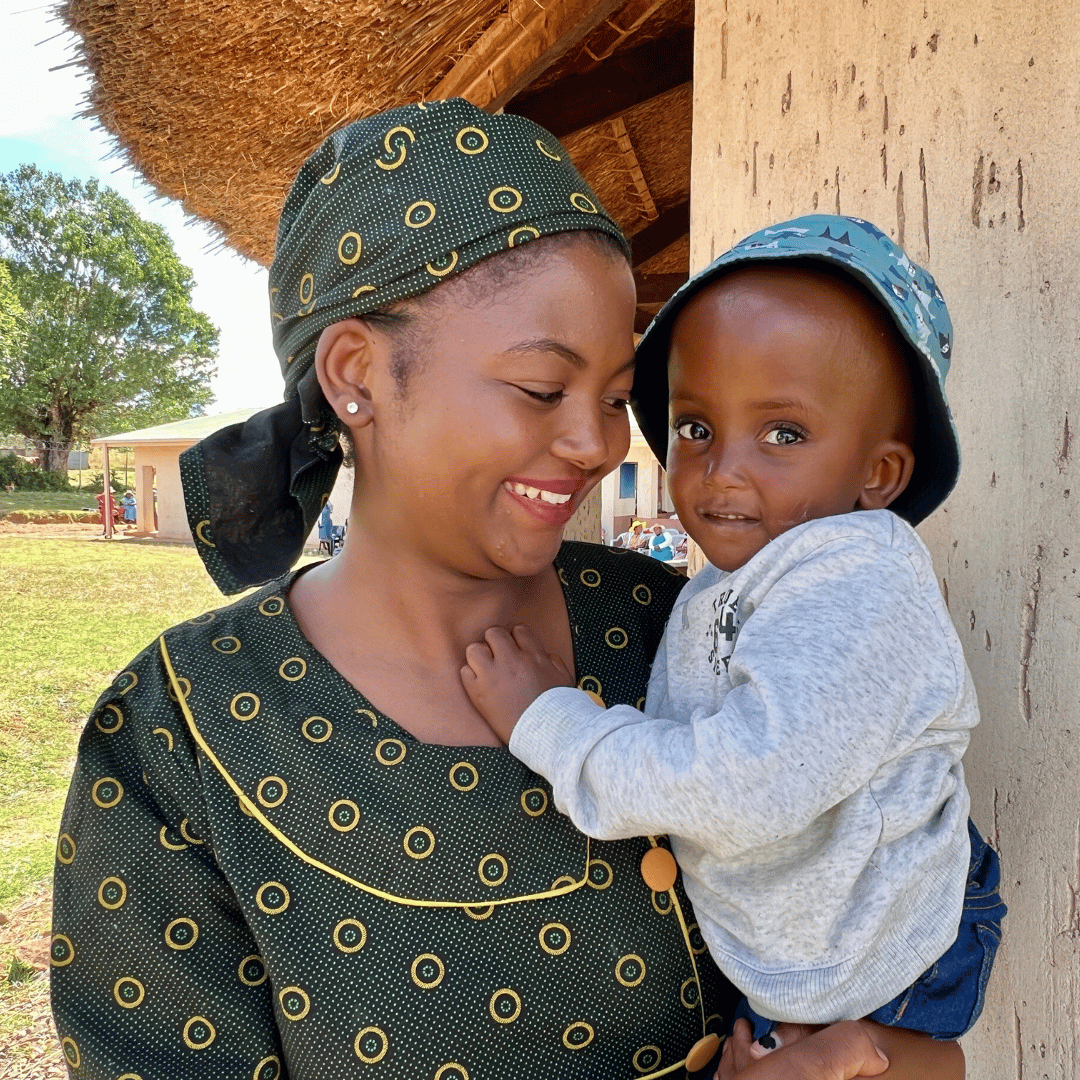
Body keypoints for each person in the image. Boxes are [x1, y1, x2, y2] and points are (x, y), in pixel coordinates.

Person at [51, 106, 963, 1080]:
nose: (601, 446)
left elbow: (916, 988)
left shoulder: (673, 622)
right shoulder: (179, 741)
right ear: (358, 375)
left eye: (617, 399)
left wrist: (870, 1055)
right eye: (540, 389)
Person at [461, 217, 1005, 1057]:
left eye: (783, 434)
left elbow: (745, 782)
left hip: (888, 959)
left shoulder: (857, 576)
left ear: (879, 473)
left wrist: (550, 721)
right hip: (810, 954)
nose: (720, 470)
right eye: (694, 428)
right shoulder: (733, 575)